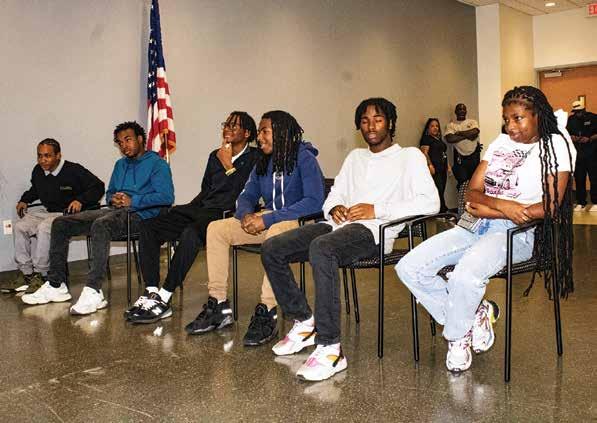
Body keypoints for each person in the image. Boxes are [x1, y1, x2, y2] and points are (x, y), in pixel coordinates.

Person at [396, 86, 575, 373]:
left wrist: (494, 209)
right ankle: (475, 312)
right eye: (506, 119)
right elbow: (472, 194)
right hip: (474, 225)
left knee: (465, 274)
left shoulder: (555, 145)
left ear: (538, 116)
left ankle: (457, 337)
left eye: (518, 118)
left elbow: (549, 207)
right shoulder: (499, 143)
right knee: (409, 267)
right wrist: (506, 206)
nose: (510, 126)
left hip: (516, 233)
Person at [260, 98, 440, 381]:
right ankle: (305, 321)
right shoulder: (355, 157)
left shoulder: (410, 157)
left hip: (374, 231)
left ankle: (330, 349)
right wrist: (335, 207)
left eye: (378, 119)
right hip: (336, 226)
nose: (371, 126)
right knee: (273, 248)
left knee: (322, 249)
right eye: (365, 121)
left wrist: (376, 210)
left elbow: (431, 203)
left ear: (391, 123)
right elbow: (335, 194)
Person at [184, 110, 325, 347]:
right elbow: (247, 194)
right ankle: (218, 305)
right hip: (269, 220)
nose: (259, 138)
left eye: (264, 132)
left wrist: (267, 220)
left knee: (276, 232)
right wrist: (246, 214)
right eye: (259, 132)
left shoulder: (304, 158)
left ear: (281, 133)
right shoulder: (263, 160)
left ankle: (267, 310)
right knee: (216, 229)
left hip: (299, 223)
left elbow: (314, 201)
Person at [22, 121, 174, 315]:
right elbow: (110, 193)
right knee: (61, 223)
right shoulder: (120, 165)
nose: (123, 146)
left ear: (140, 139)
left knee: (101, 225)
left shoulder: (157, 164)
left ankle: (94, 290)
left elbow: (166, 197)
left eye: (128, 140)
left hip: (143, 216)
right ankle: (56, 285)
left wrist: (133, 201)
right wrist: (113, 199)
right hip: (115, 212)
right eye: (120, 142)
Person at [126, 112, 260, 323]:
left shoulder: (256, 157)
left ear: (247, 133)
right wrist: (188, 208)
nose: (228, 129)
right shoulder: (214, 155)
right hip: (203, 209)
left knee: (191, 233)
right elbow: (206, 190)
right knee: (149, 226)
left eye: (234, 126)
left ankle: (165, 296)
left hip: (226, 214)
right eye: (226, 125)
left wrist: (228, 165)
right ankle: (152, 291)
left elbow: (244, 193)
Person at [0, 139, 104, 294]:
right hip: (48, 212)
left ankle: (42, 274)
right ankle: (26, 273)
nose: (43, 160)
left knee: (44, 228)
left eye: (47, 156)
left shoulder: (74, 170)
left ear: (58, 155)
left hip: (69, 215)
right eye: (40, 156)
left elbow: (98, 186)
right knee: (20, 226)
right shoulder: (38, 171)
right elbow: (36, 189)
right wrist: (24, 200)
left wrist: (80, 200)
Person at [566, 100, 597, 211]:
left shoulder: (593, 117)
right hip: (578, 154)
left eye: (579, 111)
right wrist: (572, 137)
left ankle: (595, 202)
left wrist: (590, 138)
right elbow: (567, 133)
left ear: (584, 110)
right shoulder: (571, 119)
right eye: (575, 112)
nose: (577, 114)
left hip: (592, 153)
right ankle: (580, 202)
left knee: (594, 178)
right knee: (579, 178)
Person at [445, 103, 481, 190]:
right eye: (459, 109)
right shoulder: (451, 125)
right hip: (460, 158)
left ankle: (473, 199)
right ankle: (464, 199)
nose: (462, 111)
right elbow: (450, 138)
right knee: (463, 183)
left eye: (463, 109)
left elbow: (475, 132)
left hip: (474, 157)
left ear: (466, 111)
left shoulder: (472, 122)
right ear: (455, 111)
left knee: (475, 182)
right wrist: (468, 135)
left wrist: (459, 133)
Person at [420, 118, 450, 212]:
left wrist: (448, 166)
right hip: (434, 168)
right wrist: (430, 165)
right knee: (438, 190)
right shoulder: (426, 139)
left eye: (437, 126)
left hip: (442, 168)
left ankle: (442, 210)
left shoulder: (439, 140)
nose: (435, 128)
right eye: (432, 126)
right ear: (428, 128)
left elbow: (443, 153)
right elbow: (424, 153)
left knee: (442, 190)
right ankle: (442, 211)